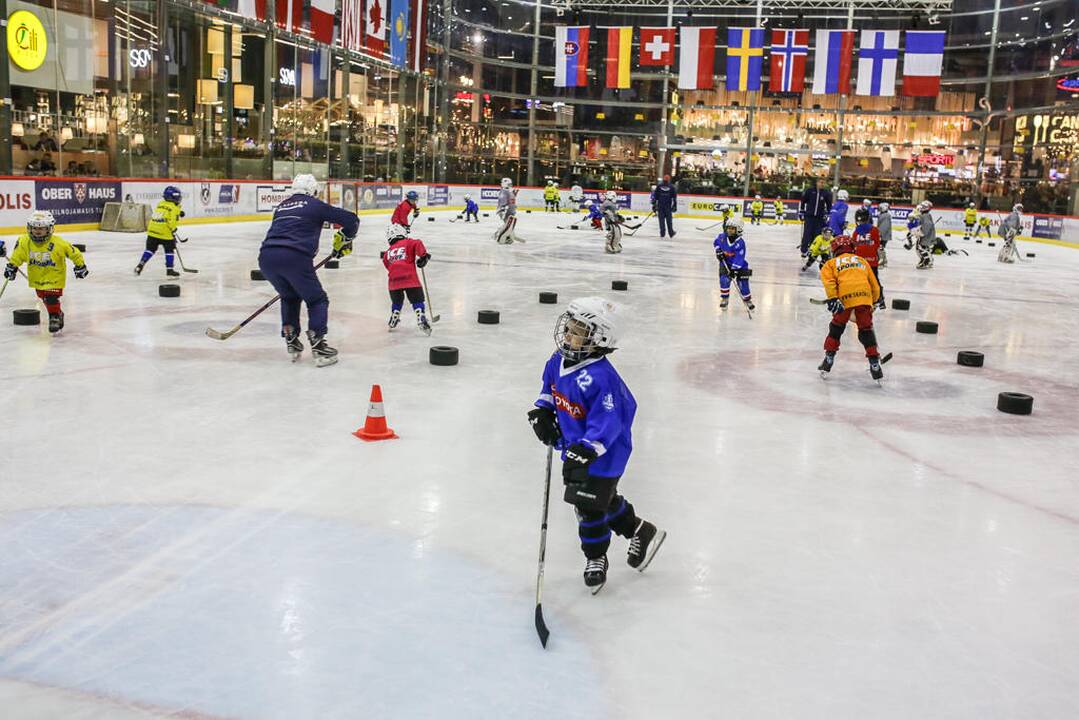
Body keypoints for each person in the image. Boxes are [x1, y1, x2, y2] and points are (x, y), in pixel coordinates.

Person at [526, 297, 666, 590]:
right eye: (570, 327)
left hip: (605, 454)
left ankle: (595, 557)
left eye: (578, 331)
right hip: (576, 448)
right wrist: (542, 412)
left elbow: (609, 422)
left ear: (599, 338)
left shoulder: (601, 378)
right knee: (598, 500)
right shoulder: (557, 360)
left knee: (588, 506)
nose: (567, 334)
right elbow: (549, 389)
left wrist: (588, 449)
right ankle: (641, 531)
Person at [257, 174, 359, 367]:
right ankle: (318, 343)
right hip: (294, 257)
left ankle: (291, 336)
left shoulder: (281, 207)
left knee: (289, 296)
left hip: (266, 258)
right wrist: (345, 238)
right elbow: (351, 220)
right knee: (317, 299)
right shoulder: (314, 205)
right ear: (313, 191)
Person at [4, 211, 88, 334]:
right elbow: (18, 256)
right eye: (34, 228)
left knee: (51, 297)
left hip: (55, 276)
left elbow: (74, 252)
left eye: (42, 228)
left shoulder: (58, 242)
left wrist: (80, 265)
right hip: (37, 276)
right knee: (43, 296)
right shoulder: (24, 241)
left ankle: (54, 317)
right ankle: (58, 313)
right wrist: (12, 266)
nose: (37, 231)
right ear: (29, 228)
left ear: (49, 229)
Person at [817, 234, 883, 380]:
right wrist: (872, 301)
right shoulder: (862, 261)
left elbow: (829, 283)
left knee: (836, 329)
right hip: (864, 298)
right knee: (866, 331)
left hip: (844, 300)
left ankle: (828, 360)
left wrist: (833, 298)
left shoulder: (831, 263)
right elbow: (875, 286)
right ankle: (874, 364)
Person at [382, 223, 432, 335]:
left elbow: (386, 264)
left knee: (397, 301)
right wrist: (423, 256)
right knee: (417, 299)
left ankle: (394, 315)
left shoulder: (388, 252)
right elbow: (418, 243)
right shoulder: (408, 242)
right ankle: (420, 316)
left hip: (393, 282)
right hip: (410, 278)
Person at [135, 186, 185, 277]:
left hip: (152, 231)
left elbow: (165, 211)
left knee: (150, 250)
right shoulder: (174, 207)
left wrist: (179, 212)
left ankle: (140, 265)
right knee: (169, 250)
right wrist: (173, 231)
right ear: (172, 197)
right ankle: (170, 270)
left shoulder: (160, 203)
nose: (179, 198)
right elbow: (171, 222)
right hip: (164, 232)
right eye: (177, 196)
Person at [713, 216, 754, 311]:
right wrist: (718, 251)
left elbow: (739, 258)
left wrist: (734, 270)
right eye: (728, 228)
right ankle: (724, 298)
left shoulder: (740, 243)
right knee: (724, 280)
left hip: (740, 266)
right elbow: (716, 243)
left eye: (732, 228)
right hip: (725, 264)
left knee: (743, 285)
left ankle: (747, 300)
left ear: (738, 229)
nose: (729, 230)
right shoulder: (722, 237)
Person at [851, 207, 884, 309]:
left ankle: (857, 298)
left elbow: (853, 246)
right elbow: (878, 245)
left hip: (859, 262)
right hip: (872, 262)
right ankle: (880, 299)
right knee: (874, 281)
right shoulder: (874, 230)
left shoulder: (856, 232)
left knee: (858, 281)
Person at [799, 178, 832, 256]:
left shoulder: (826, 193)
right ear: (817, 183)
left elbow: (829, 205)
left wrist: (828, 214)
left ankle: (812, 250)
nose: (822, 184)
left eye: (824, 183)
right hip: (809, 217)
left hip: (819, 218)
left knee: (816, 235)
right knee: (807, 234)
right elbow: (803, 201)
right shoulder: (810, 191)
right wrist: (802, 211)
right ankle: (804, 250)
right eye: (821, 182)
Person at [911, 200, 936, 269]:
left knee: (921, 248)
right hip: (925, 235)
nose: (920, 208)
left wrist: (921, 233)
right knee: (921, 248)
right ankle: (926, 260)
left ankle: (926, 261)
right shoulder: (924, 215)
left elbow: (926, 226)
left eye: (922, 206)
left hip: (926, 236)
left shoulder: (925, 216)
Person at [494, 177, 518, 244]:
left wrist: (514, 194)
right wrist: (503, 209)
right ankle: (501, 234)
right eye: (509, 184)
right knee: (508, 224)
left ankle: (504, 235)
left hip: (510, 211)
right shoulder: (504, 192)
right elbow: (503, 201)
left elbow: (511, 200)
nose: (511, 185)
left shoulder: (509, 191)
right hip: (506, 211)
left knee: (509, 225)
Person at [876, 202, 893, 268]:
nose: (879, 209)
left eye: (880, 208)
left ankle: (881, 261)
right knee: (881, 247)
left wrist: (880, 234)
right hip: (884, 234)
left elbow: (884, 226)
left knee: (880, 248)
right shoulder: (884, 215)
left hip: (883, 235)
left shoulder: (885, 216)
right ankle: (884, 260)